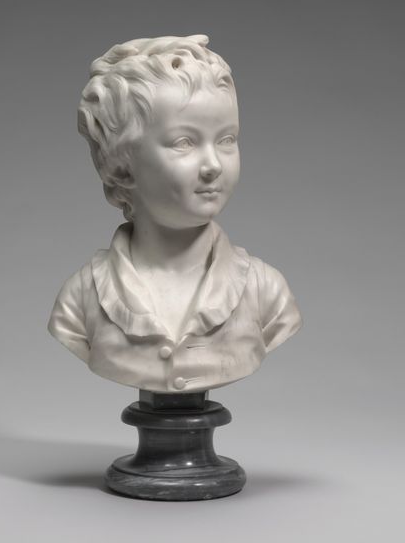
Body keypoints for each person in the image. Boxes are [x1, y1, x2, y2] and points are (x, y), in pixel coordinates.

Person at [48, 34, 302, 393]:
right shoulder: (82, 299)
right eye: (185, 142)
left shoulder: (266, 293)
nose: (213, 165)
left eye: (227, 139)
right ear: (122, 166)